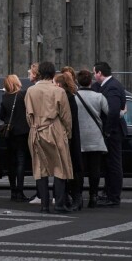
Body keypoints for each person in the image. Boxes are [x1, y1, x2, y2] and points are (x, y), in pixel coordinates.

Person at [25, 61, 74, 213]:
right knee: (60, 166)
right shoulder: (58, 91)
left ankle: (44, 205)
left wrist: (34, 126)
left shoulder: (30, 91)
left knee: (40, 168)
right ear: (53, 74)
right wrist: (67, 133)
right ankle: (59, 204)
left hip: (36, 129)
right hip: (54, 129)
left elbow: (28, 115)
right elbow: (66, 116)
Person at [92, 61, 127, 208]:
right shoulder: (107, 85)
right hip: (111, 131)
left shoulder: (112, 87)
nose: (94, 76)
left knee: (113, 165)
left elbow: (113, 111)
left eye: (94, 73)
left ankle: (113, 196)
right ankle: (108, 193)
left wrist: (106, 130)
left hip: (112, 132)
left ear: (100, 73)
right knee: (108, 165)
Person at [75, 69, 108, 208]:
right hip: (95, 137)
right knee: (95, 169)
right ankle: (93, 196)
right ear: (91, 82)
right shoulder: (99, 97)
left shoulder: (73, 97)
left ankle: (78, 197)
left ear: (78, 82)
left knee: (79, 170)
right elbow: (109, 113)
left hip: (79, 138)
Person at [0, 74, 31, 202]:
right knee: (21, 160)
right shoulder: (22, 95)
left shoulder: (5, 97)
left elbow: (2, 116)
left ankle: (13, 190)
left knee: (11, 162)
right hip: (22, 132)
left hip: (9, 132)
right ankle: (20, 190)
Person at [55, 70, 83, 210]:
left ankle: (74, 198)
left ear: (60, 84)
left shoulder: (66, 98)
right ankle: (72, 198)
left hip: (68, 137)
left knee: (70, 168)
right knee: (70, 168)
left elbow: (66, 119)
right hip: (71, 136)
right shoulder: (70, 96)